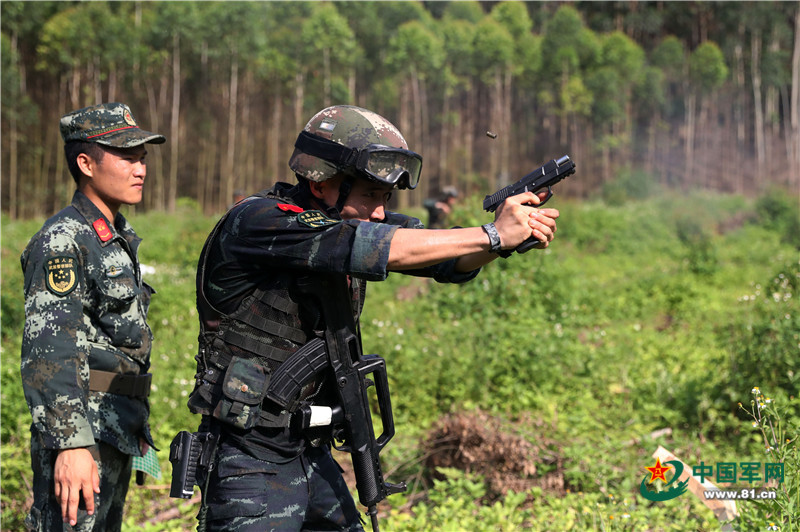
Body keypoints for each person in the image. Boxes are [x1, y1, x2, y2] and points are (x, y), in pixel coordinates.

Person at [185, 105, 559, 531]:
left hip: (310, 450)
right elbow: (368, 244)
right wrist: (493, 234)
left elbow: (440, 255)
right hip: (249, 454)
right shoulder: (260, 221)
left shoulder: (347, 217)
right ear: (320, 181)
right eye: (369, 195)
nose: (380, 212)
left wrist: (502, 240)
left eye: (386, 198)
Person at [20, 102, 165, 531]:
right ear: (86, 164)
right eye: (127, 158)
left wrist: (136, 420)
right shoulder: (63, 241)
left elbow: (116, 346)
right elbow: (51, 350)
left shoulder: (113, 237)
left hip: (114, 427)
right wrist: (70, 445)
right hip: (84, 436)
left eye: (142, 158)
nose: (140, 169)